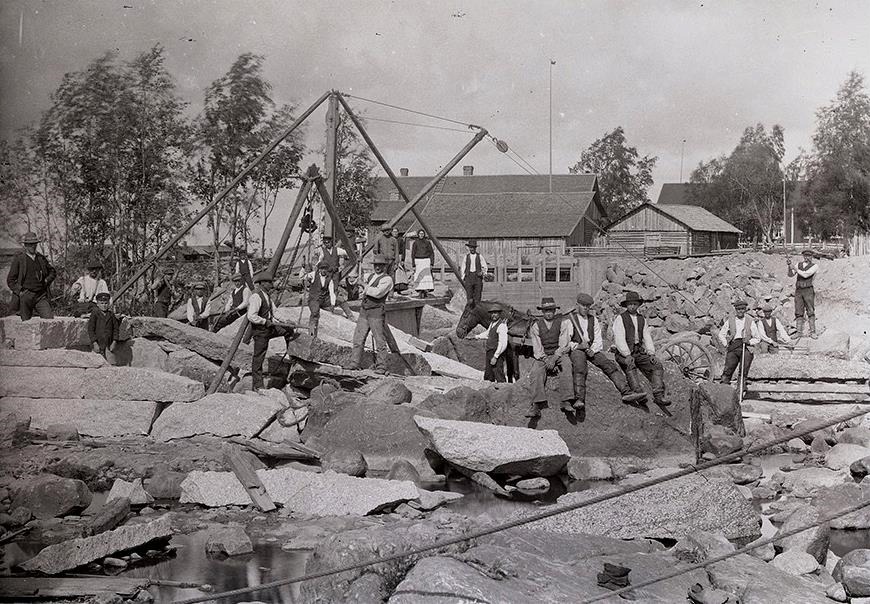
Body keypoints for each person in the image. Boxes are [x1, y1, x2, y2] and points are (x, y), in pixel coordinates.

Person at [567, 293, 648, 410]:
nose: (586, 308)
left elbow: (598, 339)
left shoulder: (593, 319)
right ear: (577, 305)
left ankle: (626, 392)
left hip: (591, 349)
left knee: (609, 365)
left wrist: (593, 350)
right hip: (577, 350)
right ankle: (579, 399)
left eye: (588, 306)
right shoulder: (570, 320)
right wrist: (578, 346)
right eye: (583, 305)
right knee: (580, 367)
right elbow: (566, 342)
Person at [612, 291, 669, 408]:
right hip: (624, 353)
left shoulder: (641, 319)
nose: (632, 306)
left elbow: (647, 336)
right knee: (630, 365)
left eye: (634, 304)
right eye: (630, 304)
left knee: (657, 365)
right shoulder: (620, 318)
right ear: (626, 305)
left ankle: (658, 395)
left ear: (638, 305)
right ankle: (638, 393)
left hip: (638, 351)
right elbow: (619, 338)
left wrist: (651, 352)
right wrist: (626, 354)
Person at [527, 297, 576, 418]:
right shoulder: (536, 326)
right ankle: (536, 404)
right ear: (542, 312)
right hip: (543, 356)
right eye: (546, 311)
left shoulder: (562, 323)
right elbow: (537, 347)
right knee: (535, 371)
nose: (548, 313)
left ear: (554, 311)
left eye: (551, 310)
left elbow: (564, 343)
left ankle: (566, 400)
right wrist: (545, 359)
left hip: (559, 353)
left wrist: (554, 358)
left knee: (567, 365)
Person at [247, 273, 296, 390]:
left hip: (269, 328)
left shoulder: (267, 296)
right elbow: (251, 316)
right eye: (269, 283)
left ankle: (292, 359)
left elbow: (275, 312)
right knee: (259, 357)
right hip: (260, 331)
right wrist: (264, 321)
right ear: (263, 283)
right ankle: (258, 385)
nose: (271, 284)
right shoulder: (256, 297)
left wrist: (286, 321)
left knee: (288, 331)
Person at [348, 254, 393, 372]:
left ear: (384, 266)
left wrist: (363, 284)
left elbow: (377, 293)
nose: (377, 267)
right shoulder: (370, 276)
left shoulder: (387, 279)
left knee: (379, 340)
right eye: (376, 265)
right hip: (364, 311)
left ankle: (381, 366)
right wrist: (356, 268)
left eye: (380, 265)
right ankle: (354, 363)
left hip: (376, 312)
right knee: (358, 338)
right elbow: (354, 278)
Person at [7, 231, 56, 321]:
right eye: (30, 244)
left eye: (34, 244)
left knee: (49, 320)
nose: (33, 246)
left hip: (41, 295)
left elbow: (52, 271)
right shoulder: (19, 259)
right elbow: (10, 280)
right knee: (24, 323)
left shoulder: (41, 258)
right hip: (26, 295)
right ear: (25, 245)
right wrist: (20, 291)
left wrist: (46, 280)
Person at [718, 299, 761, 385]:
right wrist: (726, 343)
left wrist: (749, 341)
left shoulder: (750, 321)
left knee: (743, 370)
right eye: (738, 309)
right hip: (733, 347)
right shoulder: (730, 320)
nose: (740, 311)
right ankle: (723, 389)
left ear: (745, 309)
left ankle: (740, 390)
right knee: (728, 369)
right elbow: (721, 334)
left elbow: (757, 338)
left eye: (742, 309)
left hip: (746, 347)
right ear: (736, 310)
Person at [469, 304, 509, 382]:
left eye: (496, 313)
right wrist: (476, 337)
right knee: (489, 374)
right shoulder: (492, 324)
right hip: (489, 352)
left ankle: (502, 391)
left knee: (498, 374)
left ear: (499, 314)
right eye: (492, 313)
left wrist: (496, 356)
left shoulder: (502, 326)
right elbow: (488, 333)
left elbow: (503, 343)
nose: (494, 315)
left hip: (496, 353)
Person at [787, 250, 818, 339]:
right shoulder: (798, 264)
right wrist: (789, 266)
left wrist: (795, 268)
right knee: (798, 311)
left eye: (809, 256)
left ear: (812, 257)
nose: (806, 258)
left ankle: (813, 332)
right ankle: (799, 332)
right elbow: (790, 275)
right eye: (805, 256)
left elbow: (805, 275)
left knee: (810, 310)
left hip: (808, 290)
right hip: (799, 290)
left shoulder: (814, 266)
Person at [305, 261, 337, 338]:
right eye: (322, 269)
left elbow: (332, 292)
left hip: (323, 300)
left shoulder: (329, 279)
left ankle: (350, 316)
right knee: (315, 313)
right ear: (319, 269)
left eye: (325, 269)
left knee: (341, 300)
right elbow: (305, 278)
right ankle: (311, 333)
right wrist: (307, 279)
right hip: (314, 299)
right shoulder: (313, 275)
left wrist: (332, 304)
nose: (323, 270)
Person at [87, 292, 118, 357]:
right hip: (98, 343)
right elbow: (90, 329)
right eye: (101, 303)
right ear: (97, 304)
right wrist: (95, 343)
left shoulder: (111, 314)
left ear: (109, 304)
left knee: (112, 362)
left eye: (106, 303)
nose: (104, 305)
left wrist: (114, 342)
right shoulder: (95, 314)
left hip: (108, 344)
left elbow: (116, 329)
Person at [459, 239, 487, 309]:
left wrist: (482, 273)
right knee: (469, 296)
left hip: (477, 278)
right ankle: (470, 311)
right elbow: (463, 267)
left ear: (475, 248)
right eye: (470, 247)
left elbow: (485, 266)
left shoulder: (479, 256)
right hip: (469, 277)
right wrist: (463, 277)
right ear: (469, 248)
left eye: (473, 247)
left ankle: (477, 310)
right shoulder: (466, 257)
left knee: (477, 296)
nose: (472, 249)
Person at [411, 229, 435, 298]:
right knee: (419, 277)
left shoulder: (428, 243)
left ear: (424, 234)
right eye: (420, 233)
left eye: (422, 233)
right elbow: (413, 254)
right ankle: (420, 292)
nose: (421, 235)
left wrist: (432, 263)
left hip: (426, 261)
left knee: (426, 277)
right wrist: (413, 265)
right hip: (418, 261)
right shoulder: (415, 243)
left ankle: (425, 292)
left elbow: (431, 253)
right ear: (418, 234)